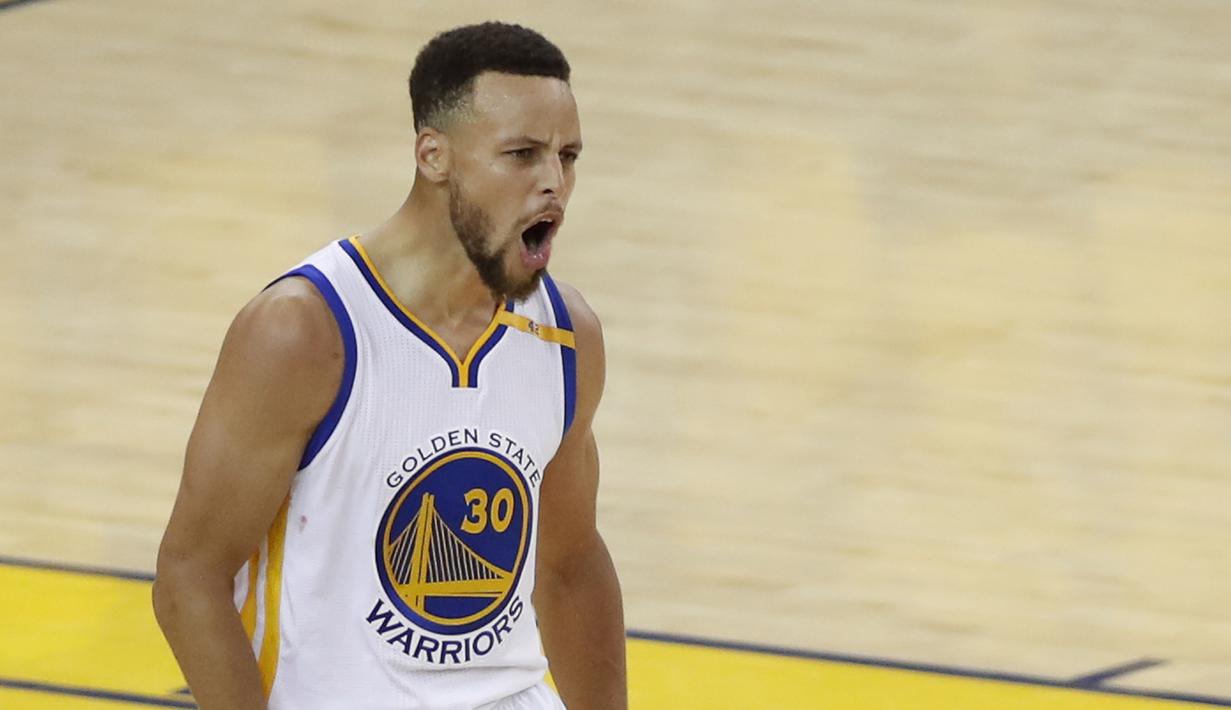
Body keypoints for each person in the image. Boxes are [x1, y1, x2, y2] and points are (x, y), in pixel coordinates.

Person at [152, 22, 626, 710]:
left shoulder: (566, 335)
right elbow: (189, 577)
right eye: (521, 154)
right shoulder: (304, 332)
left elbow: (571, 563)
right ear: (433, 156)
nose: (553, 182)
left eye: (568, 156)